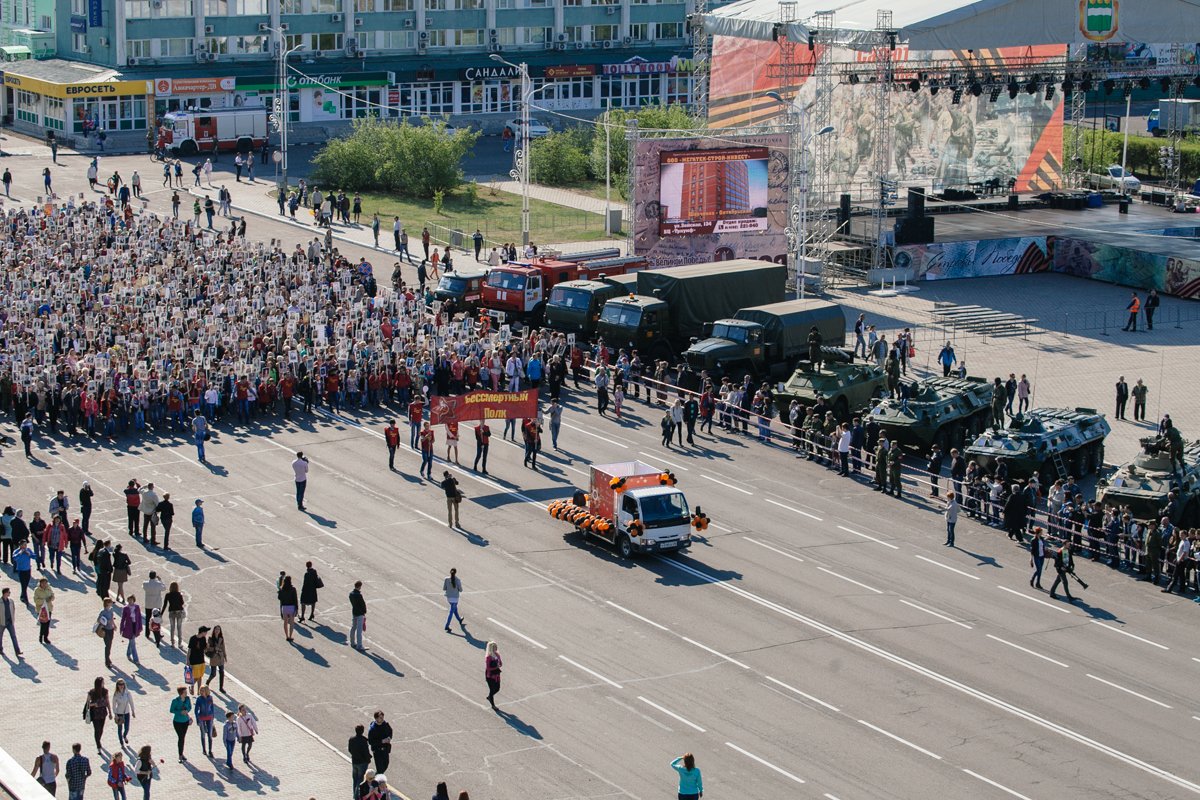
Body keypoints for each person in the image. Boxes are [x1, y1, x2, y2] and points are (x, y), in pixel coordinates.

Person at [85, 677, 111, 753]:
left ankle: (98, 741)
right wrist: (94, 704)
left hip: (103, 712)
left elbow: (107, 701)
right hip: (95, 713)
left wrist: (110, 712)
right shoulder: (92, 692)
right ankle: (98, 746)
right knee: (97, 730)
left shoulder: (105, 691)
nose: (104, 684)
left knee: (101, 730)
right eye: (103, 683)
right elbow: (87, 704)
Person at [169, 686, 192, 762]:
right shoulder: (175, 701)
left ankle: (181, 753)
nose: (186, 693)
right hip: (177, 722)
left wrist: (187, 711)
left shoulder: (187, 699)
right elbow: (171, 710)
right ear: (181, 693)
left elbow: (190, 707)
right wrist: (180, 712)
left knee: (183, 737)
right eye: (185, 692)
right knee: (181, 737)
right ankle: (180, 755)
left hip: (185, 721)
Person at [349, 724, 372, 797]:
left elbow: (350, 749)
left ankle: (354, 794)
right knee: (360, 780)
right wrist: (368, 759)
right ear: (362, 731)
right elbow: (366, 752)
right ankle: (357, 796)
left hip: (354, 762)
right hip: (362, 763)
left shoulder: (351, 739)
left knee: (355, 779)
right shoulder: (363, 740)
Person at [120, 594, 143, 664]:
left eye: (131, 600)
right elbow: (123, 619)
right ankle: (136, 659)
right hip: (128, 627)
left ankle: (128, 653)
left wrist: (140, 627)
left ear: (134, 600)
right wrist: (121, 628)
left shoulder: (137, 607)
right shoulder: (125, 608)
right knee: (133, 643)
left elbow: (139, 617)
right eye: (129, 600)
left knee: (131, 641)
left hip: (135, 626)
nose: (130, 601)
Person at [112, 679, 135, 747]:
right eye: (120, 684)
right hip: (119, 713)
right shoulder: (116, 694)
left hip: (126, 712)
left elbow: (131, 702)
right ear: (117, 685)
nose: (121, 686)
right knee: (120, 729)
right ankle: (121, 742)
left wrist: (133, 711)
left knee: (127, 728)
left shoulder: (127, 693)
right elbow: (113, 705)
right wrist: (115, 714)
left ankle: (124, 736)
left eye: (123, 684)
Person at [186, 627, 209, 695]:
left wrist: (207, 646)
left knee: (200, 676)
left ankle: (199, 691)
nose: (206, 633)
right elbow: (189, 650)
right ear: (202, 632)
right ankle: (192, 685)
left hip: (201, 660)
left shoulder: (203, 638)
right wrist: (187, 660)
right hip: (194, 660)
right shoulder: (193, 638)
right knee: (196, 676)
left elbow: (205, 650)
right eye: (206, 632)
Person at [195, 685, 216, 757]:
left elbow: (212, 707)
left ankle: (210, 750)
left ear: (206, 691)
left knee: (210, 735)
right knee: (203, 733)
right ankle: (204, 749)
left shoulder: (210, 698)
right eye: (200, 690)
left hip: (209, 717)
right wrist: (197, 719)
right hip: (201, 718)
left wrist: (213, 716)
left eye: (202, 691)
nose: (201, 692)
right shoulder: (199, 699)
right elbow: (196, 710)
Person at [96, 597, 117, 669]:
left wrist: (114, 625)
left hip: (111, 629)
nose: (111, 603)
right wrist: (105, 621)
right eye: (110, 602)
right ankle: (107, 661)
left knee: (110, 644)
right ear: (107, 603)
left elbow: (112, 618)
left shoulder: (111, 610)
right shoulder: (103, 612)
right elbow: (98, 620)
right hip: (105, 630)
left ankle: (108, 658)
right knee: (107, 645)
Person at [205, 626, 227, 692]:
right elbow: (207, 648)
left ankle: (221, 687)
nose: (217, 631)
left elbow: (223, 647)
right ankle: (208, 681)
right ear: (214, 630)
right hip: (214, 657)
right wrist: (214, 648)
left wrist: (225, 656)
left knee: (222, 672)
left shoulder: (221, 638)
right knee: (213, 674)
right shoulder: (210, 639)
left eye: (219, 629)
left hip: (220, 657)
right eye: (216, 629)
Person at [0, 587, 20, 657]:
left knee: (13, 636)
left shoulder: (11, 601)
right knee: (0, 636)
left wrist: (12, 618)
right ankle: (0, 649)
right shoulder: (0, 602)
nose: (9, 593)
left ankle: (17, 651)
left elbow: (13, 609)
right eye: (9, 592)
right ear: (5, 593)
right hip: (1, 623)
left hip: (10, 622)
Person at [443, 568, 465, 632]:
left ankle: (459, 619)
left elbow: (444, 588)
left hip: (449, 598)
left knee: (454, 609)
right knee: (451, 612)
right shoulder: (458, 580)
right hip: (455, 598)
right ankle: (447, 626)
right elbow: (461, 590)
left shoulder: (446, 579)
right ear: (456, 573)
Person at [164, 582, 185, 648]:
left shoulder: (168, 595)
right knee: (179, 628)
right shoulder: (179, 594)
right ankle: (179, 643)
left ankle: (172, 643)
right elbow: (182, 603)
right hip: (179, 612)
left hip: (171, 612)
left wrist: (161, 613)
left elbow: (165, 605)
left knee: (172, 628)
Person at [278, 575, 298, 642]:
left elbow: (279, 598)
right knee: (291, 623)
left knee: (285, 622)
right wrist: (296, 608)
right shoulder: (293, 589)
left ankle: (286, 636)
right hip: (291, 607)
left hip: (284, 607)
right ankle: (290, 636)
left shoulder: (282, 589)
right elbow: (295, 599)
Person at [33, 577, 54, 644]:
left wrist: (51, 598)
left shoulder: (49, 588)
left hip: (49, 609)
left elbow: (52, 595)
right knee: (43, 624)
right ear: (40, 583)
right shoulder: (37, 590)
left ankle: (46, 637)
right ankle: (41, 636)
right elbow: (36, 600)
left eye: (45, 583)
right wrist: (44, 601)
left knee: (47, 624)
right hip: (41, 610)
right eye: (43, 583)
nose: (44, 584)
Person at [349, 580, 367, 651]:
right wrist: (364, 612)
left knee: (353, 627)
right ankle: (359, 645)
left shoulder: (351, 594)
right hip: (360, 613)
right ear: (359, 587)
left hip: (354, 612)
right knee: (359, 630)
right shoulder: (359, 595)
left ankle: (352, 642)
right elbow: (362, 604)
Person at [485, 640, 502, 708]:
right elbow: (488, 668)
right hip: (490, 675)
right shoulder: (488, 657)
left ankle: (490, 696)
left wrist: (499, 664)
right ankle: (493, 705)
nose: (496, 648)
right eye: (494, 647)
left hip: (496, 674)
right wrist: (496, 667)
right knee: (492, 690)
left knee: (497, 688)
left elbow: (500, 663)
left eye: (496, 646)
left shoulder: (497, 654)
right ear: (491, 648)